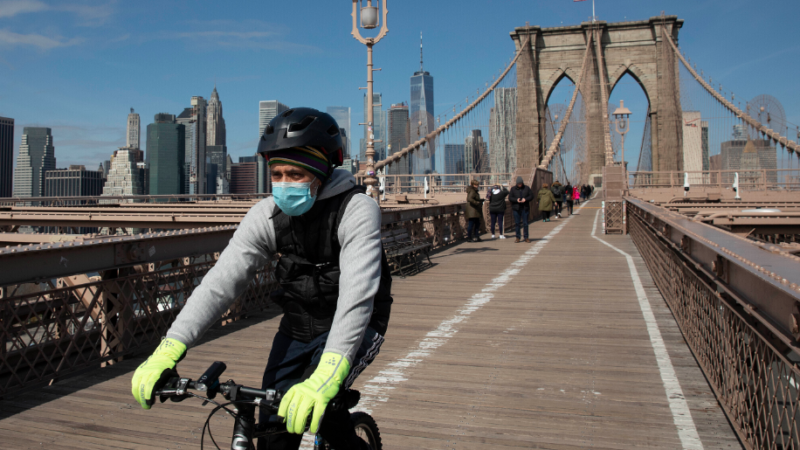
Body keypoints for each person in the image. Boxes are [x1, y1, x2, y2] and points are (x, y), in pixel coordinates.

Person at [130, 108, 390, 450]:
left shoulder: (356, 210)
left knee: (322, 407)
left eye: (295, 174)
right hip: (298, 324)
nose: (283, 184)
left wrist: (328, 373)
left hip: (358, 324)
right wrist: (169, 348)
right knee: (272, 425)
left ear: (323, 170)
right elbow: (221, 282)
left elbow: (357, 298)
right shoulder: (266, 216)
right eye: (277, 174)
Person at [508, 176, 533, 243]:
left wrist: (526, 199)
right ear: (516, 183)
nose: (520, 185)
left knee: (525, 223)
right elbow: (510, 198)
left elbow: (531, 196)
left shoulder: (527, 188)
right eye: (518, 184)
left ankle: (526, 237)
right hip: (516, 208)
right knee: (517, 223)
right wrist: (516, 200)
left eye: (521, 183)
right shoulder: (513, 189)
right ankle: (517, 237)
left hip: (525, 208)